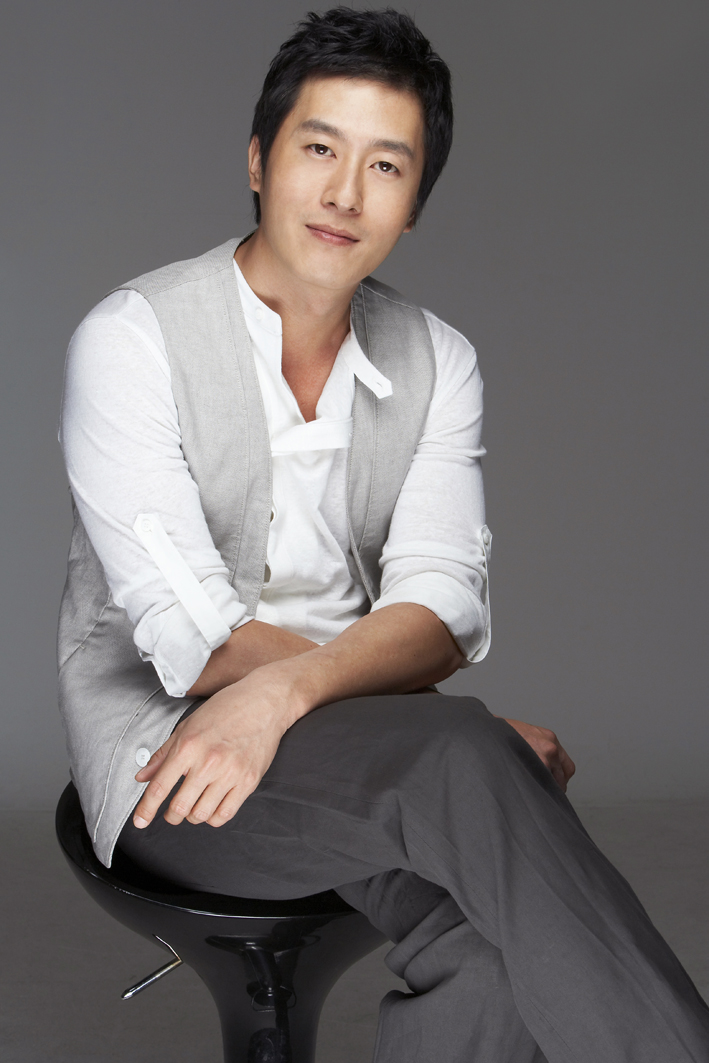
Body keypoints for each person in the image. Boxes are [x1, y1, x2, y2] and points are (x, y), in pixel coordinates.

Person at [58, 8, 709, 1061]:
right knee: (469, 762)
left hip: (372, 756)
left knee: (496, 937)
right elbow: (194, 641)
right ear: (259, 160)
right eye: (319, 149)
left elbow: (441, 611)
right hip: (169, 766)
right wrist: (434, 731)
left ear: (414, 206)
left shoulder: (436, 360)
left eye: (387, 166)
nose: (345, 194)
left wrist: (298, 692)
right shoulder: (135, 340)